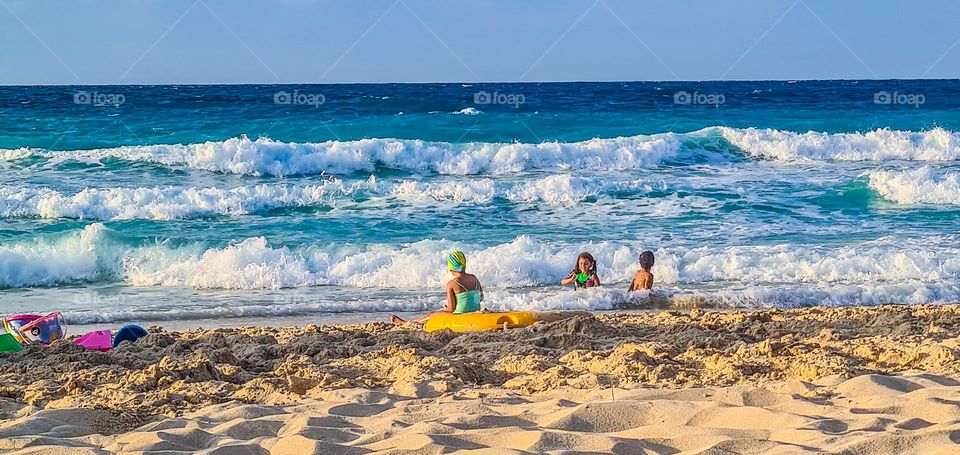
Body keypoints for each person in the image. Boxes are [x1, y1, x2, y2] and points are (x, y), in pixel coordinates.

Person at [391, 251, 483, 324]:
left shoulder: (452, 284)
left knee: (431, 315)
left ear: (451, 266)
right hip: (475, 312)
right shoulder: (474, 278)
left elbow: (451, 309)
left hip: (459, 316)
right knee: (442, 311)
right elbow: (481, 298)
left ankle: (406, 323)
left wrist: (445, 310)